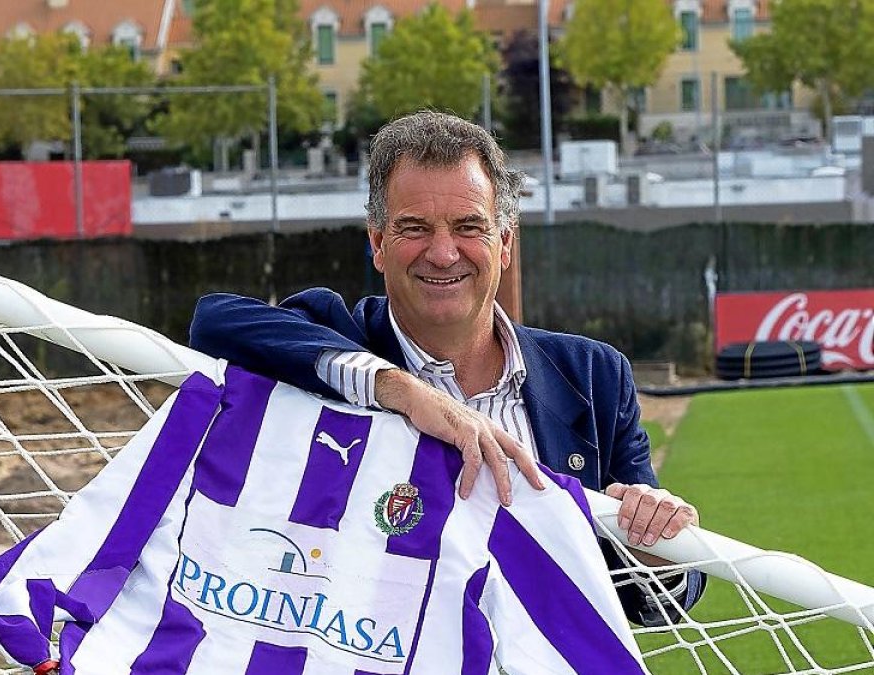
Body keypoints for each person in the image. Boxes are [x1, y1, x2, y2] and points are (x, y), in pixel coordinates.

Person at [190, 111, 705, 625]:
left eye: (468, 227)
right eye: (414, 228)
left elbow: (653, 606)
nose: (442, 253)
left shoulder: (595, 376)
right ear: (377, 243)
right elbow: (215, 323)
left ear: (504, 243)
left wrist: (655, 550)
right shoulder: (342, 338)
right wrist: (403, 392)